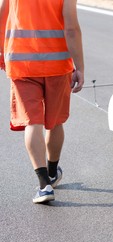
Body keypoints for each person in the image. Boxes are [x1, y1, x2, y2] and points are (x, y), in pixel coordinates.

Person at [0, 0, 84, 204]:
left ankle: (44, 184)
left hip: (21, 63)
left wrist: (2, 52)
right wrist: (79, 66)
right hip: (57, 64)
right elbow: (71, 28)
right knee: (54, 122)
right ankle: (53, 171)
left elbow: (2, 15)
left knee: (32, 122)